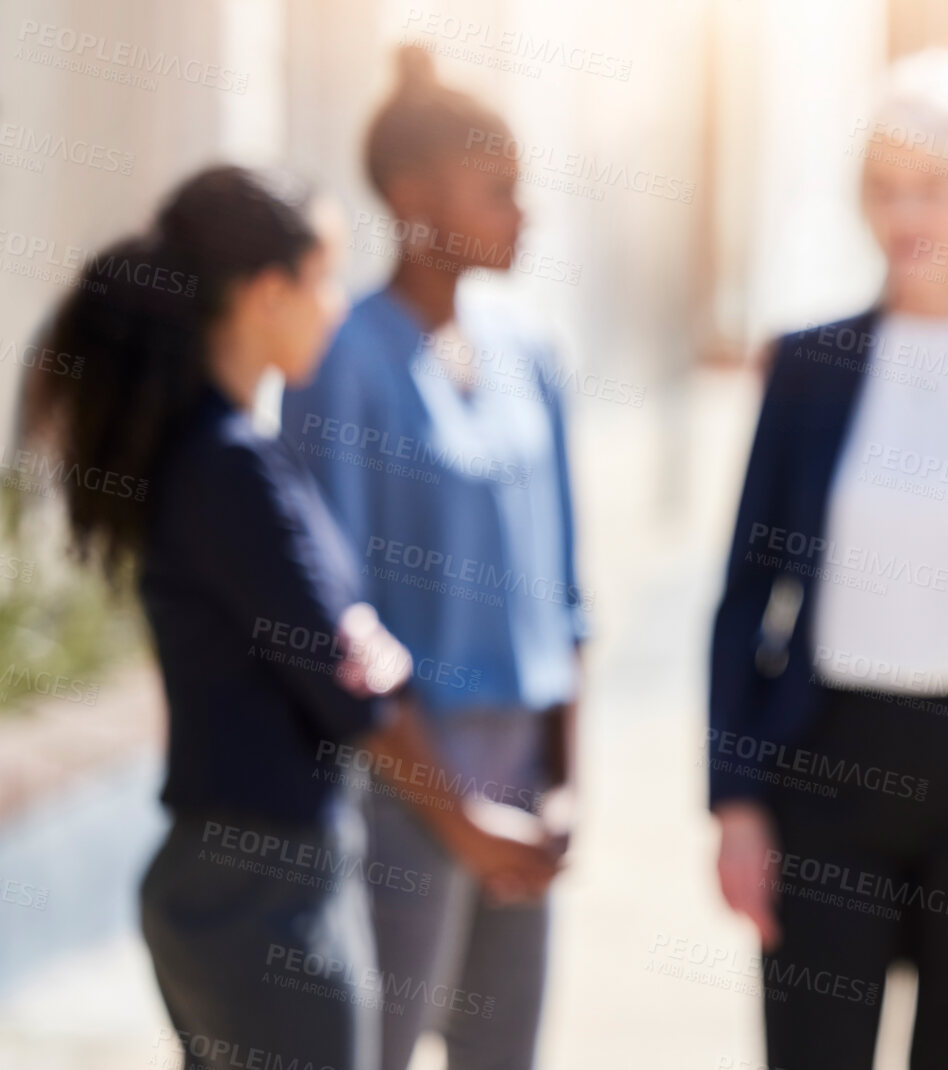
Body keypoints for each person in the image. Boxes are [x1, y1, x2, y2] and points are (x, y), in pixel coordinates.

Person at [24, 165, 559, 1070]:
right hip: (260, 889)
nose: (340, 306)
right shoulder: (228, 465)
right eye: (326, 278)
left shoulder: (231, 449)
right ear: (268, 295)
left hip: (252, 876)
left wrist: (362, 647)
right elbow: (347, 681)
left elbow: (340, 648)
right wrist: (465, 821)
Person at [708, 49, 948, 1070]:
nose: (906, 215)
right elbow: (745, 591)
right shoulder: (806, 366)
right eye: (885, 190)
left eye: (931, 187)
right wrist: (736, 799)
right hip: (822, 768)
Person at [279, 47, 585, 1070]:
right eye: (495, 189)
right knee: (375, 1045)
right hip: (403, 779)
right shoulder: (346, 363)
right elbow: (337, 624)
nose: (522, 211)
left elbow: (569, 593)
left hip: (527, 778)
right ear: (411, 196)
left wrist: (561, 784)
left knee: (504, 1051)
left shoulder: (529, 351)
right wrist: (456, 816)